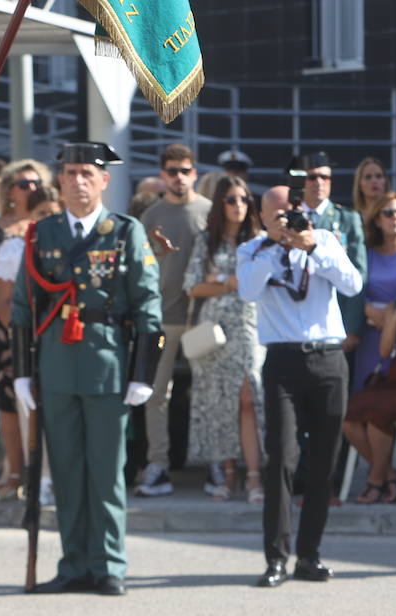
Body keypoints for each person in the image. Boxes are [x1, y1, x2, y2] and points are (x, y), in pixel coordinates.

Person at [11, 141, 164, 596]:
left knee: (106, 472)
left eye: (87, 173)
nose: (78, 180)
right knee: (67, 471)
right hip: (56, 364)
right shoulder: (44, 233)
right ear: (59, 180)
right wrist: (22, 370)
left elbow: (147, 306)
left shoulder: (124, 231)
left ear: (104, 181)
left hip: (108, 363)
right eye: (71, 172)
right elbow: (24, 304)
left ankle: (109, 563)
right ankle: (74, 562)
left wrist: (143, 373)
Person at [237, 184, 362, 588]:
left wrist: (310, 247)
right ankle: (276, 557)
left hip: (327, 357)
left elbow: (352, 284)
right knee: (282, 460)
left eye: (289, 212)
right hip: (283, 361)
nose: (285, 220)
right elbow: (247, 290)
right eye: (275, 216)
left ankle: (310, 555)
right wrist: (277, 245)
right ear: (261, 218)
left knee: (323, 463)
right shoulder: (253, 250)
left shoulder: (322, 239)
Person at [183, 175, 266, 503]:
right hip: (215, 330)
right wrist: (231, 283)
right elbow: (192, 286)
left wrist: (218, 279)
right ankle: (229, 474)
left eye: (244, 199)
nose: (239, 206)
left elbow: (260, 283)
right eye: (231, 200)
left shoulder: (258, 240)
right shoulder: (208, 241)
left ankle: (255, 475)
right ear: (220, 204)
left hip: (249, 327)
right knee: (221, 403)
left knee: (249, 397)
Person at [0, 157, 51, 499]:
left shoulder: (51, 222)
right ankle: (14, 471)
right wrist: (6, 291)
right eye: (22, 184)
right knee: (6, 399)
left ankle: (41, 472)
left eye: (35, 184)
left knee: (42, 396)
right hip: (3, 322)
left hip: (44, 320)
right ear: (9, 190)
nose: (29, 190)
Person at [137, 144, 211, 497]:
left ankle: (215, 464)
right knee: (156, 395)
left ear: (194, 173)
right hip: (163, 317)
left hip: (202, 318)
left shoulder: (211, 211)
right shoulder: (151, 216)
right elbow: (141, 267)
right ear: (163, 175)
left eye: (184, 170)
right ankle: (158, 464)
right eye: (172, 171)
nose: (179, 176)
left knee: (208, 393)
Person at [343, 191, 396, 503]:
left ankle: (377, 479)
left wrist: (395, 316)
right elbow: (352, 290)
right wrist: (372, 312)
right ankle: (389, 475)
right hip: (374, 342)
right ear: (376, 219)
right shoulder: (366, 253)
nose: (394, 218)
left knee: (376, 412)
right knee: (355, 411)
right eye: (387, 212)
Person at [291, 151, 368, 353]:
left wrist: (351, 328)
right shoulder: (290, 217)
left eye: (325, 177)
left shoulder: (347, 219)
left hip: (336, 323)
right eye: (312, 177)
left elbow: (358, 272)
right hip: (295, 323)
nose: (319, 182)